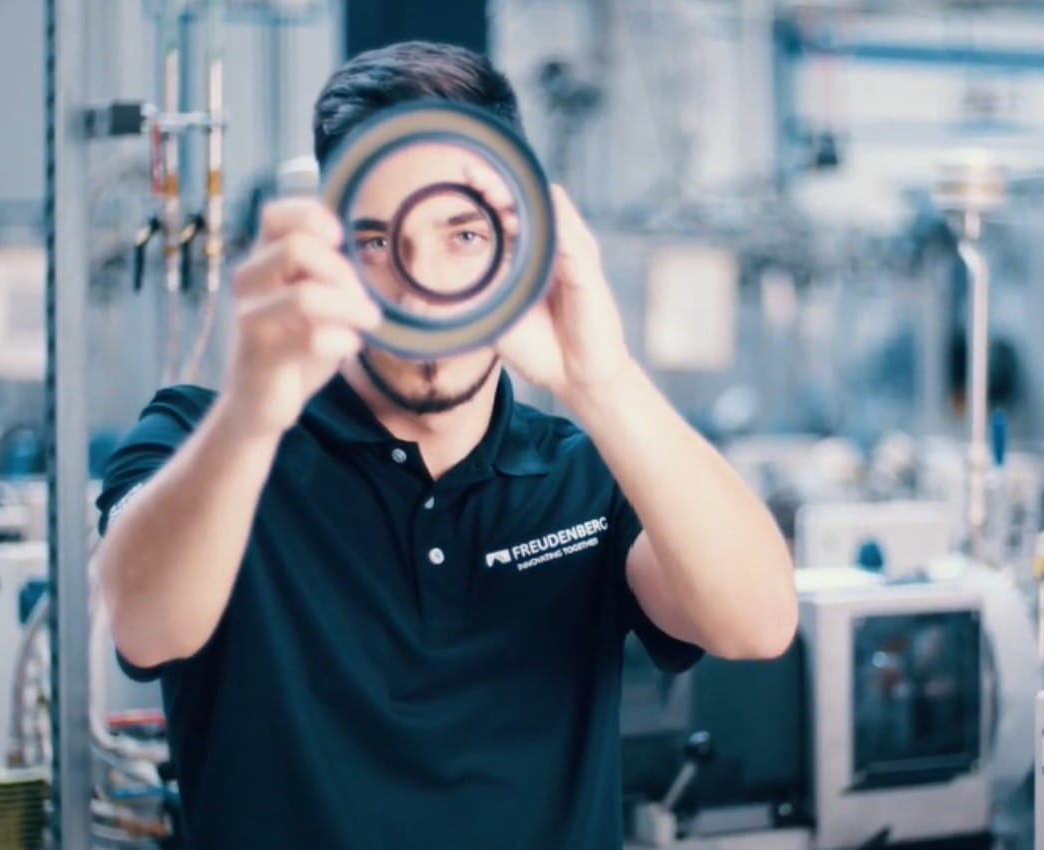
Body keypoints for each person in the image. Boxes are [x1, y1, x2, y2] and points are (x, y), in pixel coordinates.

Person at [93, 41, 797, 849]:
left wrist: (602, 381)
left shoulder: (586, 472)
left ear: (521, 247)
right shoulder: (205, 440)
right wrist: (254, 405)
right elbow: (143, 623)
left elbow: (759, 624)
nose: (423, 291)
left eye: (464, 237)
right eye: (377, 244)